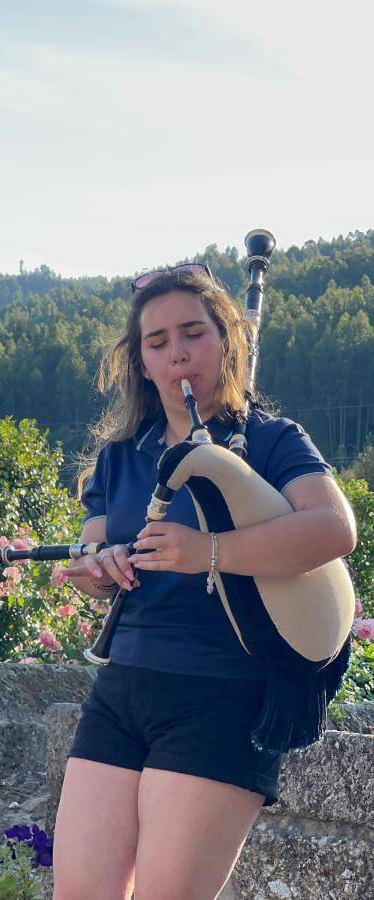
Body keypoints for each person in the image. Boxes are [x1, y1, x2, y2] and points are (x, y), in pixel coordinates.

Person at [51, 265, 356, 900]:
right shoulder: (120, 456)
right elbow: (95, 549)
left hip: (223, 692)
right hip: (122, 690)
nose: (178, 353)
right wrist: (98, 568)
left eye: (193, 333)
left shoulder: (270, 441)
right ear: (140, 362)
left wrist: (207, 553)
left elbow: (333, 529)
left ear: (226, 340)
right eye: (158, 341)